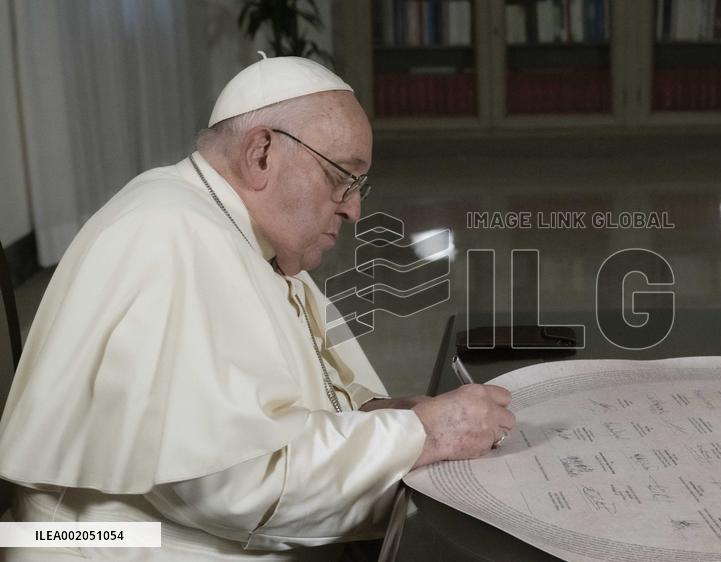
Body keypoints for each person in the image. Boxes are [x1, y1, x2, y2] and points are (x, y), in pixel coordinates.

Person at [0, 55, 515, 561]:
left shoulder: (228, 226)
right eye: (343, 176)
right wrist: (421, 436)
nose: (354, 208)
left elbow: (281, 405)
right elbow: (232, 483)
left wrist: (379, 415)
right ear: (261, 153)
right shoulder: (174, 235)